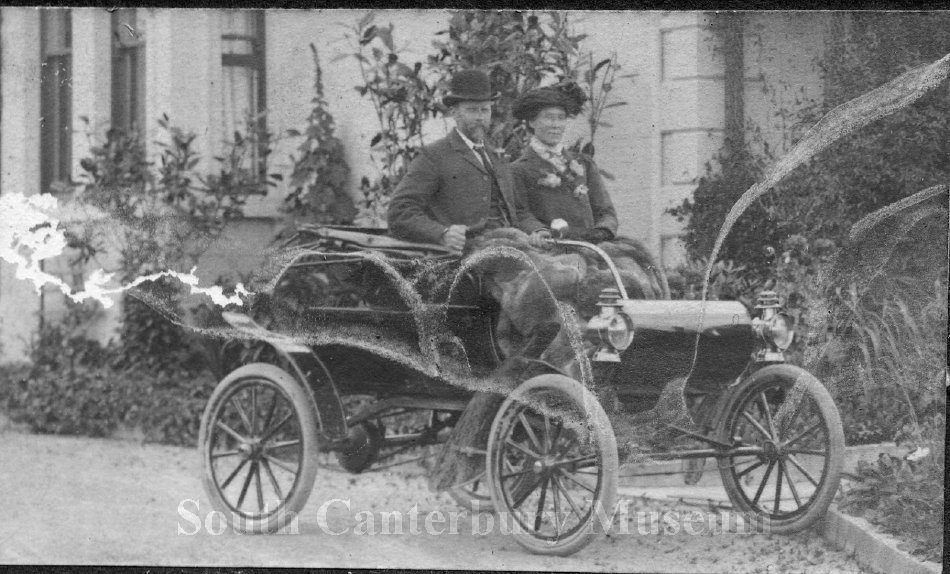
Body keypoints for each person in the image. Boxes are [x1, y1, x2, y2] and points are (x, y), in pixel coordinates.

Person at [387, 69, 524, 252]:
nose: (480, 117)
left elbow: (519, 211)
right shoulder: (435, 155)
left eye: (485, 110)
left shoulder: (495, 156)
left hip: (512, 242)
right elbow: (400, 211)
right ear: (454, 113)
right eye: (472, 110)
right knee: (551, 269)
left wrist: (539, 232)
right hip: (471, 251)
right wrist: (442, 233)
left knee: (562, 260)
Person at [510, 82, 618, 247]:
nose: (555, 125)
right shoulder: (519, 169)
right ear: (532, 122)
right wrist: (538, 230)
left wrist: (603, 230)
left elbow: (605, 210)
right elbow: (521, 212)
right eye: (548, 117)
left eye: (561, 118)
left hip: (591, 247)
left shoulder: (584, 163)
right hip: (551, 249)